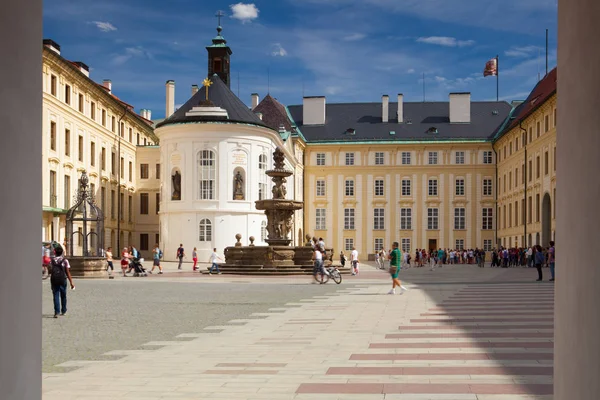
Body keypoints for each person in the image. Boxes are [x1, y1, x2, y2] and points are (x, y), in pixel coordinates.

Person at [49, 246, 75, 318]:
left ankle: (56, 312)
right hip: (62, 279)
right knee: (63, 295)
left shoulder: (52, 260)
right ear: (62, 252)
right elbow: (67, 272)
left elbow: (50, 270)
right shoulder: (65, 260)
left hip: (54, 280)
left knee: (56, 295)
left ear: (55, 253)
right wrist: (71, 282)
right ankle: (63, 310)